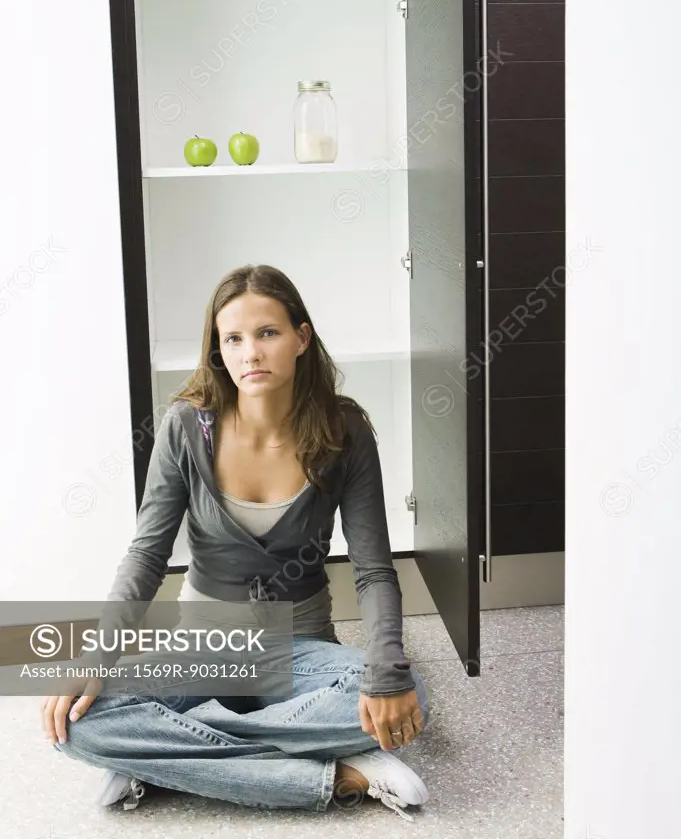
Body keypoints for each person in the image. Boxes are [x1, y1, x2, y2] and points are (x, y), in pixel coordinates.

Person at [42, 264, 430, 821]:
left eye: (267, 333)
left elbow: (372, 571)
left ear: (301, 338)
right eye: (233, 338)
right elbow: (147, 555)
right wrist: (97, 654)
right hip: (205, 644)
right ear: (218, 351)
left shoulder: (345, 432)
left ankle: (167, 754)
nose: (251, 352)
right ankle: (342, 771)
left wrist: (386, 674)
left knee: (407, 691)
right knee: (76, 725)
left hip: (301, 645)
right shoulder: (185, 426)